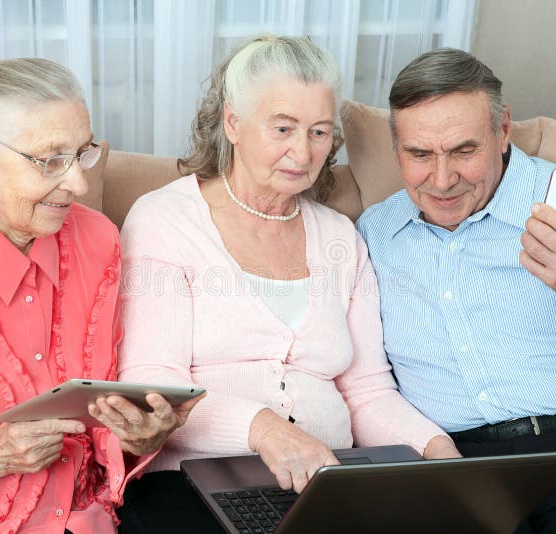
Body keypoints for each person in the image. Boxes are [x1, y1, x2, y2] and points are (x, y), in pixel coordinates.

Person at [117, 35, 460, 533]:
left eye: (319, 132)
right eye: (283, 128)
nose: (302, 152)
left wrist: (437, 450)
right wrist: (262, 428)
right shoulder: (165, 220)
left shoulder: (340, 236)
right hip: (193, 483)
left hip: (329, 481)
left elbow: (366, 391)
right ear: (233, 122)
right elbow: (154, 389)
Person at [355, 47, 556, 532]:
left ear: (503, 130)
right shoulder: (375, 233)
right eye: (419, 154)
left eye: (464, 150)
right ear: (396, 147)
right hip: (458, 469)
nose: (442, 181)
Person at [0, 58, 200, 533]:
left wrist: (140, 435)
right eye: (50, 160)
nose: (78, 183)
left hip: (81, 520)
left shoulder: (98, 241)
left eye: (82, 153)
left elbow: (100, 419)